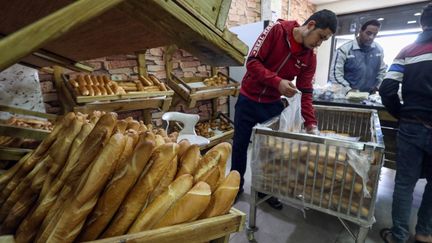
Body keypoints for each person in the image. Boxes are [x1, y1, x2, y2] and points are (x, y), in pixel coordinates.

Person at [231, 10, 338, 210]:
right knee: (240, 146)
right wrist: (278, 82)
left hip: (272, 105)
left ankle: (265, 189)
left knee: (271, 152)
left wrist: (311, 123)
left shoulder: (309, 59)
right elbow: (252, 62)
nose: (319, 44)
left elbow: (306, 92)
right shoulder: (276, 30)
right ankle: (235, 187)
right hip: (248, 99)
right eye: (321, 37)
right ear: (311, 25)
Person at [379, 3, 432, 243]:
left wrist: (402, 114)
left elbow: (387, 88)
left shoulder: (408, 50)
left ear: (422, 24)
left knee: (404, 183)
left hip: (412, 123)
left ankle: (399, 235)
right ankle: (424, 233)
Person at [330, 19, 386, 94]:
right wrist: (349, 90)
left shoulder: (378, 50)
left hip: (368, 96)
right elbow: (335, 75)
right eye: (368, 33)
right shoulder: (344, 49)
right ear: (360, 31)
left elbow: (382, 71)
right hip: (347, 96)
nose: (371, 37)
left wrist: (377, 86)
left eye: (374, 34)